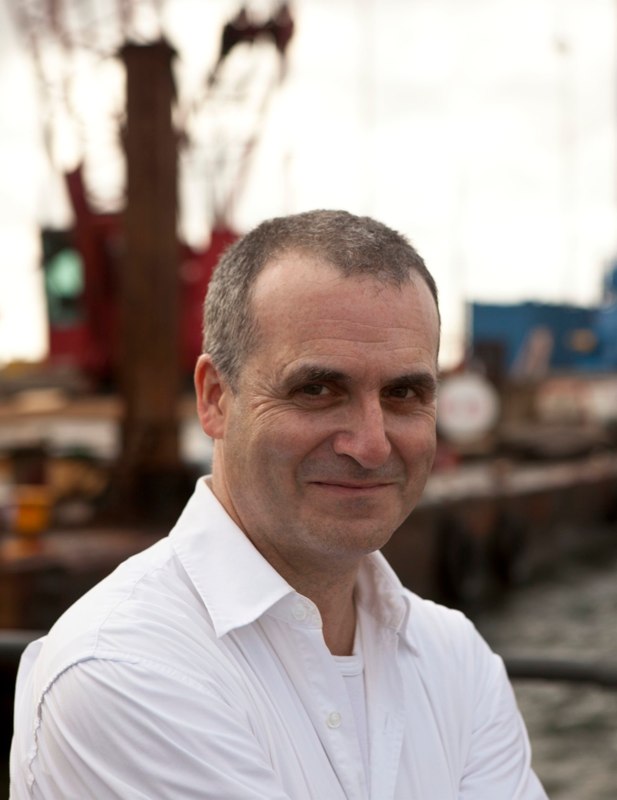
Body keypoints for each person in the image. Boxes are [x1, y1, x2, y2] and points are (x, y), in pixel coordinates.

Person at [10, 210, 548, 799]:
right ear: (216, 399)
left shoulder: (457, 656)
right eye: (316, 390)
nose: (372, 445)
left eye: (403, 393)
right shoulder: (124, 668)